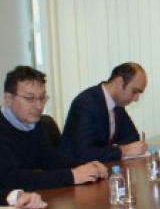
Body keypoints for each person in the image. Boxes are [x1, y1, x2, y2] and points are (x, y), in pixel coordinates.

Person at [0, 66, 107, 195]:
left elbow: (52, 161)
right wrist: (72, 176)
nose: (39, 106)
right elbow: (12, 180)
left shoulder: (34, 125)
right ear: (8, 99)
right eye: (30, 99)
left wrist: (87, 166)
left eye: (42, 98)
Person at [60, 62, 148, 165]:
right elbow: (83, 154)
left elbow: (132, 139)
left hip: (101, 168)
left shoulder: (118, 105)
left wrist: (136, 147)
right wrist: (122, 150)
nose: (136, 99)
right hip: (75, 170)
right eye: (134, 91)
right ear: (119, 82)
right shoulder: (85, 103)